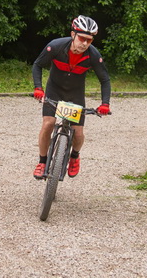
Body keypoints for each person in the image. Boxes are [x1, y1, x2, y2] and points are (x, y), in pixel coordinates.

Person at [31, 15, 111, 179]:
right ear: (73, 34)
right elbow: (37, 65)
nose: (85, 43)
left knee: (78, 133)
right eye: (82, 38)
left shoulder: (93, 55)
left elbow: (105, 80)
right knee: (48, 124)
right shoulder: (56, 46)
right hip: (54, 89)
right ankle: (42, 161)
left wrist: (105, 104)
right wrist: (38, 88)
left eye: (89, 40)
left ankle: (74, 156)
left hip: (75, 94)